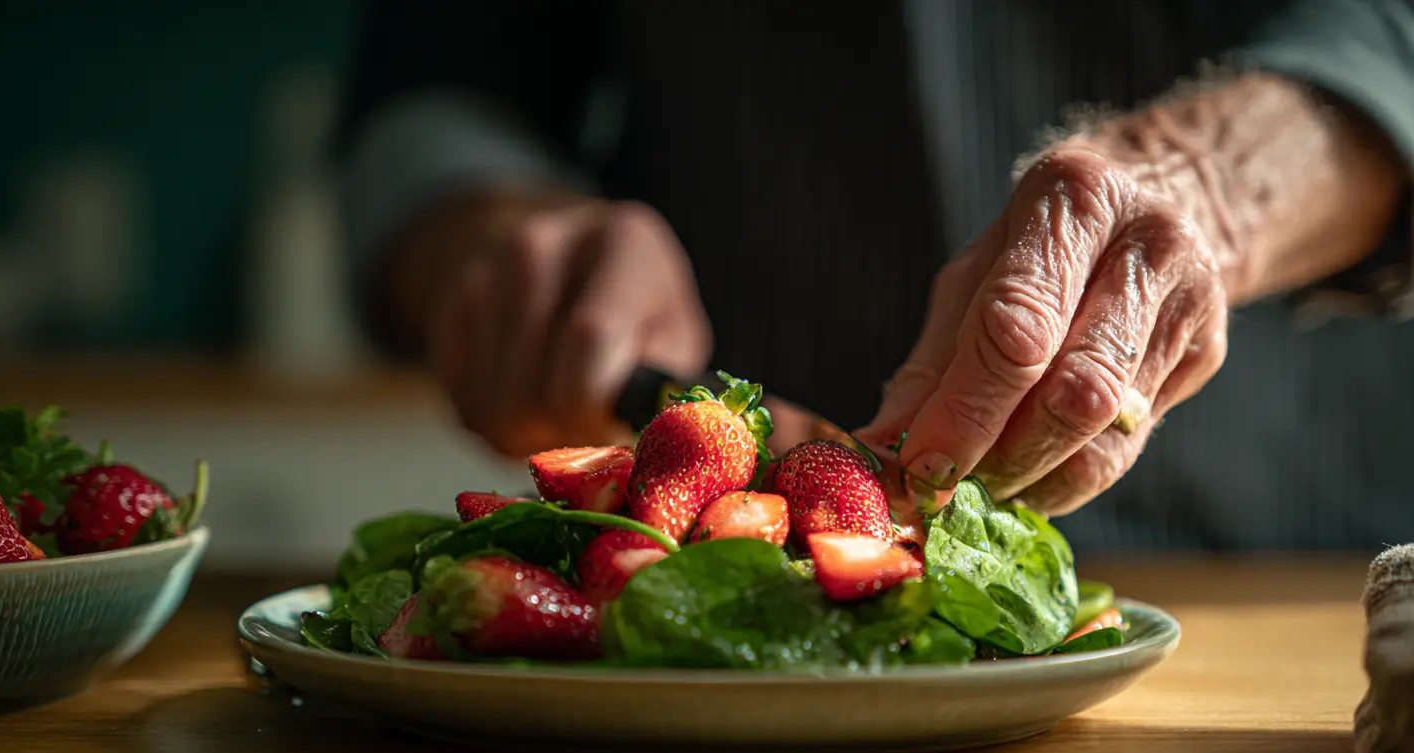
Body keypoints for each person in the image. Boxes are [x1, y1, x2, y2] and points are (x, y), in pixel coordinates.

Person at [336, 1, 1413, 557]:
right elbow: (434, 82)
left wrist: (1211, 184)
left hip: (1288, 578)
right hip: (711, 650)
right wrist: (496, 235)